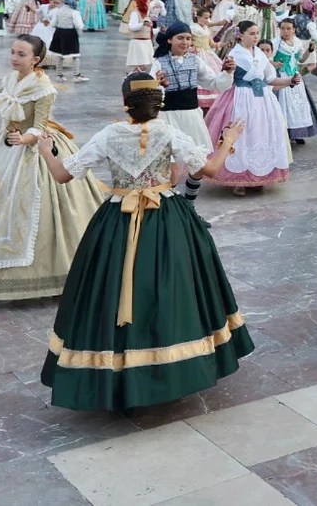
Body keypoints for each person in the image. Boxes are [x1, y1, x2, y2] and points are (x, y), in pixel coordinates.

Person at [35, 77, 252, 411]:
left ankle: (114, 371)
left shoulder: (109, 134)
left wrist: (47, 152)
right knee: (171, 288)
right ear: (158, 104)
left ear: (125, 103)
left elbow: (63, 175)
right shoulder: (167, 133)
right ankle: (172, 368)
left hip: (116, 221)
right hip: (166, 218)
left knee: (110, 290)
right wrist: (229, 140)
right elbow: (208, 169)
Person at [0, 34, 105, 299]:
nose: (14, 58)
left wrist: (24, 139)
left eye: (21, 54)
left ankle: (36, 276)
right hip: (5, 146)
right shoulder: (11, 79)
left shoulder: (44, 88)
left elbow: (40, 127)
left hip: (33, 150)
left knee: (32, 210)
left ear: (36, 59)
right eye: (13, 52)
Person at [201, 21, 292, 195]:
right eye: (251, 33)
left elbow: (269, 78)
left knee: (260, 133)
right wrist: (227, 72)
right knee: (241, 134)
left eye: (257, 33)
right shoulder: (234, 54)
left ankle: (258, 174)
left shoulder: (260, 54)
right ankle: (238, 179)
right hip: (241, 98)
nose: (256, 37)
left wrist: (289, 82)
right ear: (240, 35)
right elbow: (226, 77)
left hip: (262, 100)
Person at [150, 21, 233, 200]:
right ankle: (169, 209)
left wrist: (226, 73)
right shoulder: (158, 63)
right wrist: (159, 85)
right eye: (180, 38)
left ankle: (189, 207)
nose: (185, 42)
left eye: (188, 38)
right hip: (167, 118)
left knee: (198, 166)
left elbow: (214, 83)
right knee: (172, 169)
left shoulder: (195, 61)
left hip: (191, 117)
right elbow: (151, 92)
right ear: (170, 40)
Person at [273, 18, 317, 144]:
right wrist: (274, 63)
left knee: (298, 105)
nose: (285, 31)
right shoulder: (275, 43)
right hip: (282, 77)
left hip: (295, 77)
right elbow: (266, 58)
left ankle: (297, 133)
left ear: (294, 30)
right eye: (283, 28)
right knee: (284, 105)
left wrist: (310, 51)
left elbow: (301, 59)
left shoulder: (297, 42)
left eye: (289, 28)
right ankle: (285, 133)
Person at [121, 0, 154, 73]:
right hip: (138, 42)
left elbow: (148, 29)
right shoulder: (135, 13)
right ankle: (131, 76)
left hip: (147, 41)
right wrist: (142, 24)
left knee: (146, 64)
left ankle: (133, 76)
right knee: (143, 64)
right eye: (147, 2)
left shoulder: (146, 14)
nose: (149, 4)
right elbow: (132, 26)